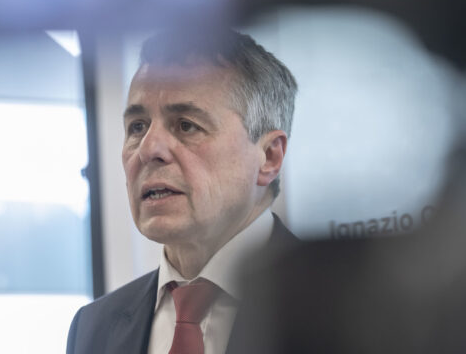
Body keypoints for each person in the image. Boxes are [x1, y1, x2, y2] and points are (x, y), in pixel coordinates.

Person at [66, 28, 299, 354]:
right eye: (137, 127)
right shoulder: (93, 328)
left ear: (269, 156)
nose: (148, 149)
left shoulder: (349, 304)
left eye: (186, 124)